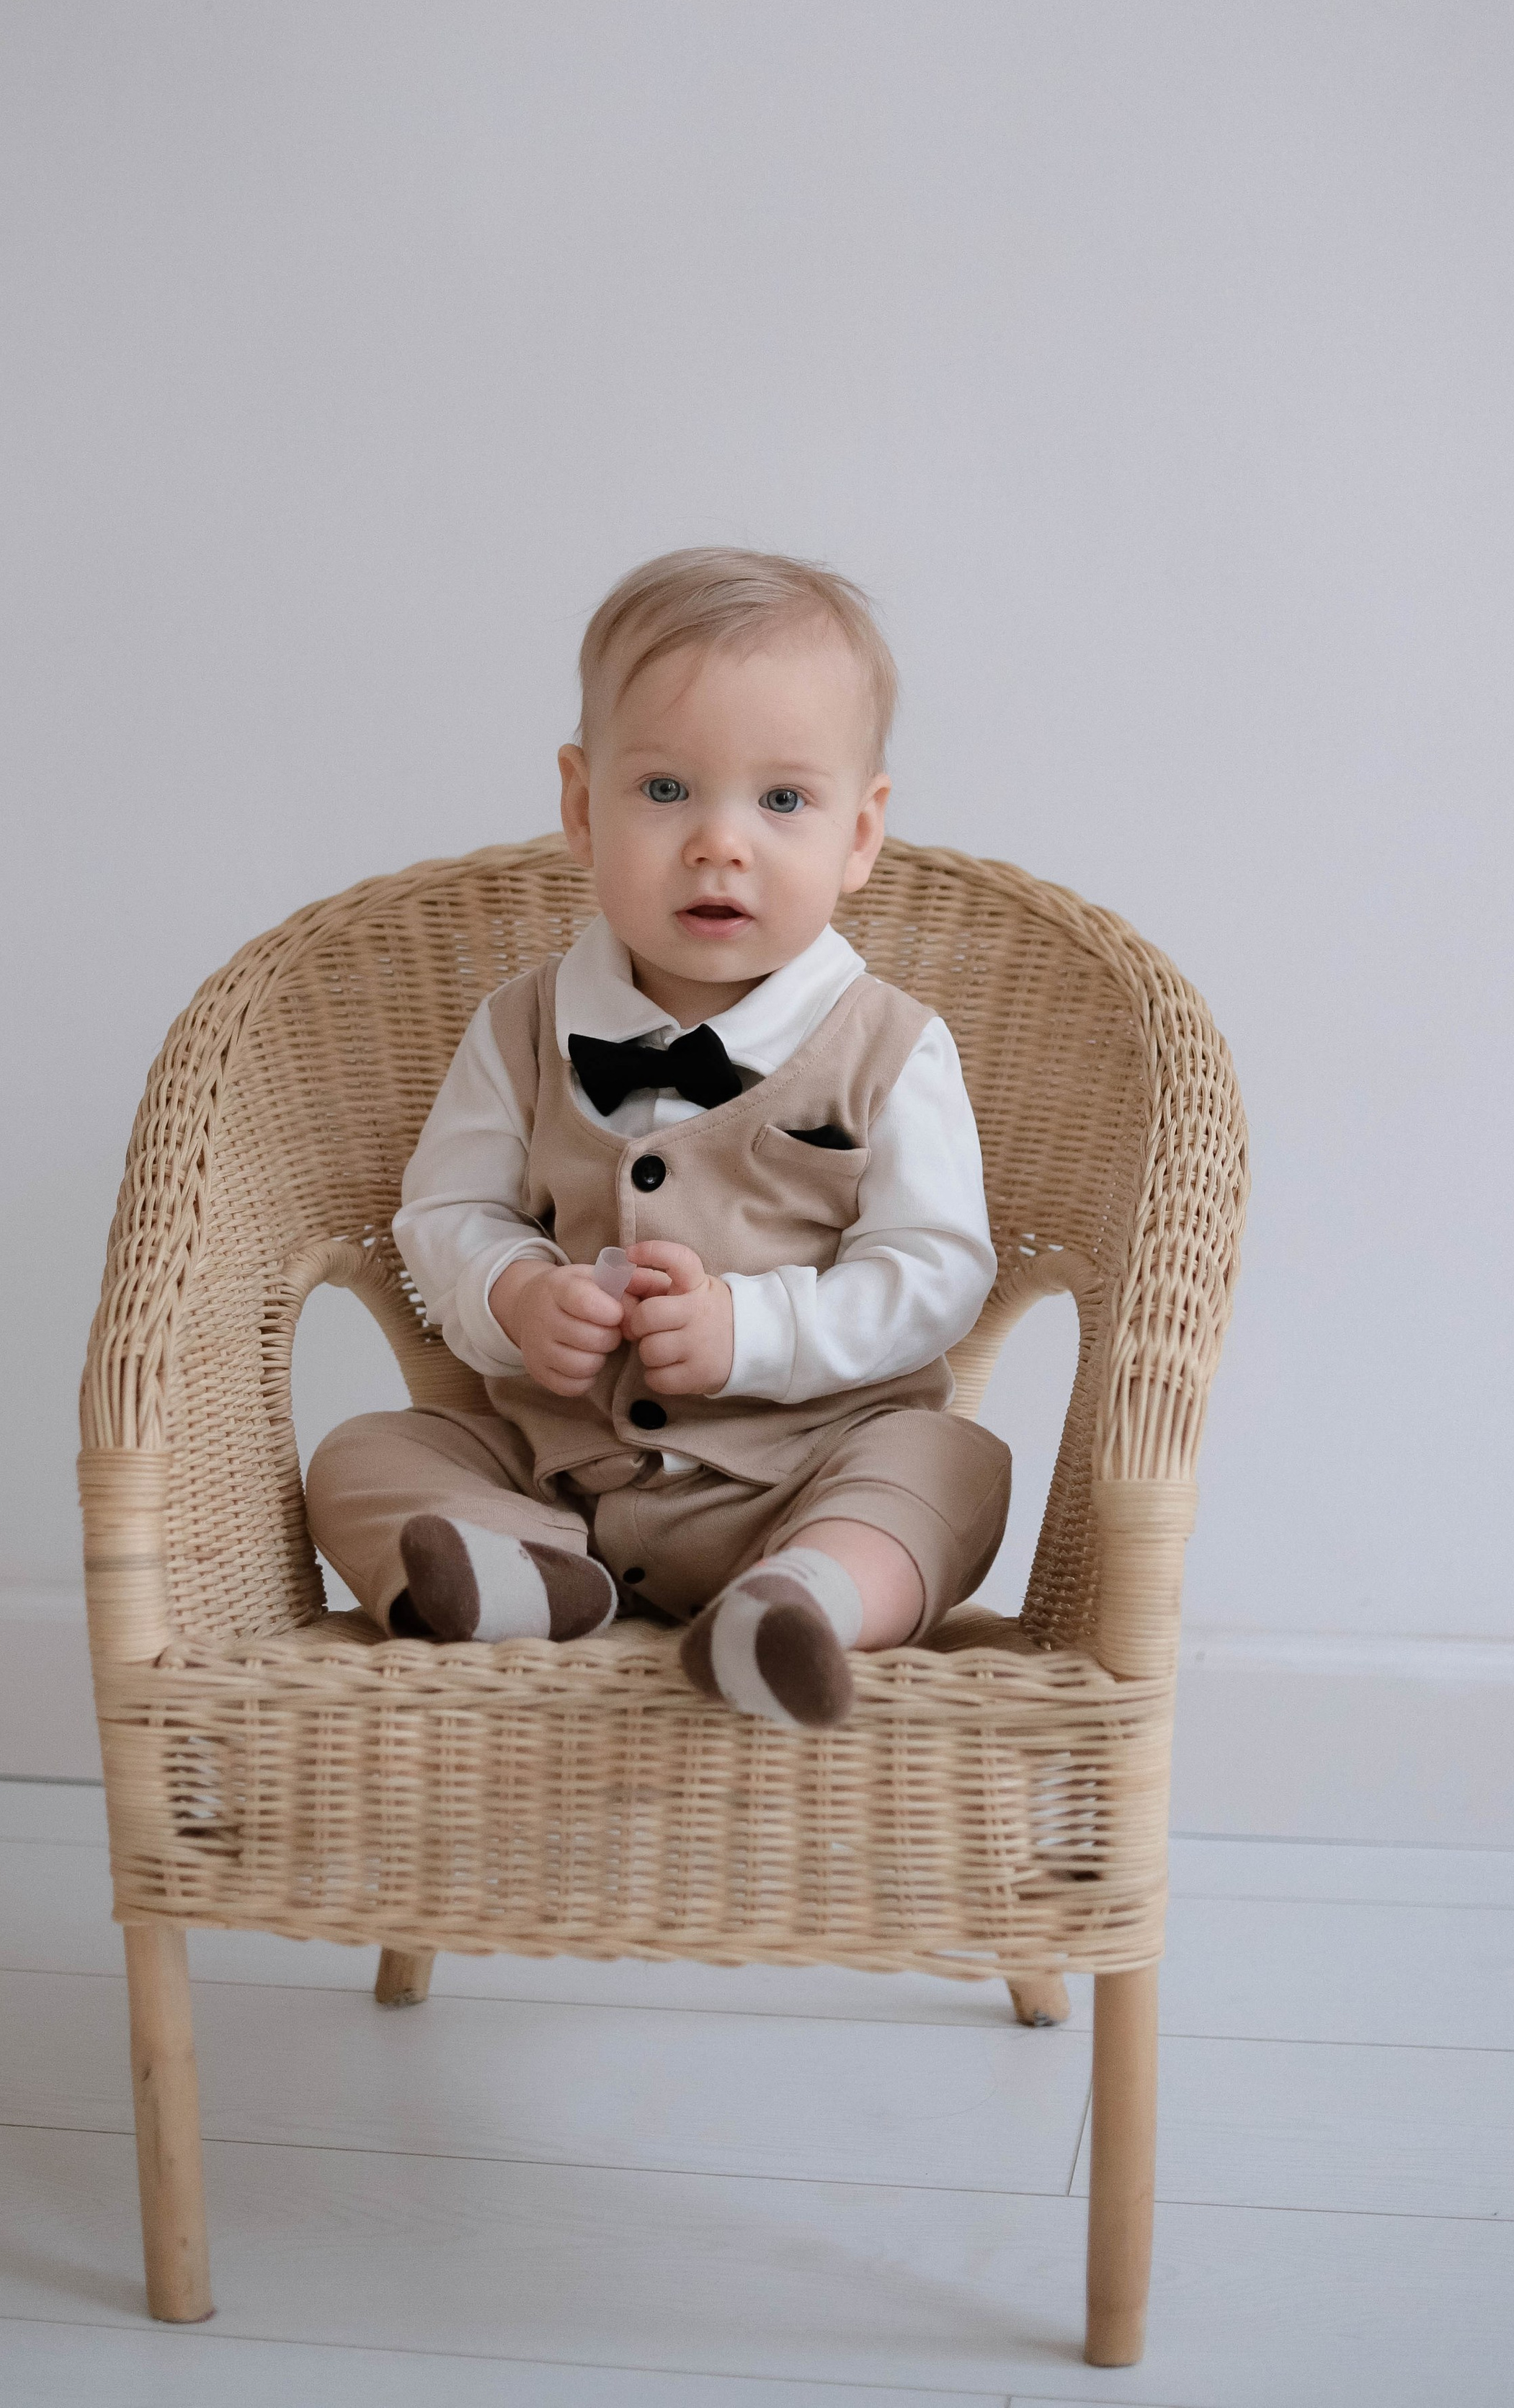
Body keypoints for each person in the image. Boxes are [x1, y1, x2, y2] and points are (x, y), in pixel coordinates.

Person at [306, 548, 1010, 1728]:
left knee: (955, 1471)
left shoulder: (893, 1048)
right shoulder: (522, 1028)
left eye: (782, 801)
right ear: (584, 807)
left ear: (861, 832)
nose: (720, 843)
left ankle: (800, 1604)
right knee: (360, 1453)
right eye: (668, 791)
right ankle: (523, 1579)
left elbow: (937, 1272)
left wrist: (757, 1330)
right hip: (557, 1478)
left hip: (804, 1472)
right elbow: (444, 1215)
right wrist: (517, 1297)